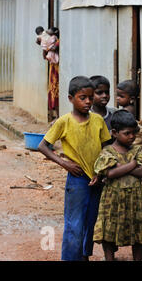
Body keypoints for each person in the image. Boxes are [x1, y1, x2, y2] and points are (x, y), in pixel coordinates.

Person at [38, 76, 112, 261]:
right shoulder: (64, 122)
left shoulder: (97, 120)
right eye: (82, 97)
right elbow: (43, 146)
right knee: (74, 224)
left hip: (96, 179)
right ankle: (70, 258)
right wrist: (64, 163)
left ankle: (84, 256)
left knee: (90, 222)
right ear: (71, 98)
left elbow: (106, 148)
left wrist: (101, 172)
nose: (88, 101)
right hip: (77, 179)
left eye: (90, 97)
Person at [93, 110, 142, 261]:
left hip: (136, 199)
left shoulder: (137, 150)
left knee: (138, 230)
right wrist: (133, 164)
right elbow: (110, 174)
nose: (132, 137)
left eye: (134, 133)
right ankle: (109, 258)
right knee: (109, 230)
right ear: (114, 133)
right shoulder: (108, 151)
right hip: (112, 201)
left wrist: (123, 167)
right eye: (127, 133)